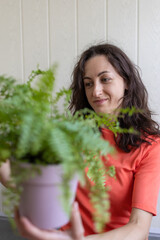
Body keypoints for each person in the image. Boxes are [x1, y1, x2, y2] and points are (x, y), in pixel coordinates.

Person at [2, 43, 160, 240]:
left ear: (126, 82)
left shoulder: (149, 145)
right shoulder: (70, 135)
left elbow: (139, 228)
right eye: (88, 83)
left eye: (105, 79)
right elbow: (34, 184)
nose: (96, 91)